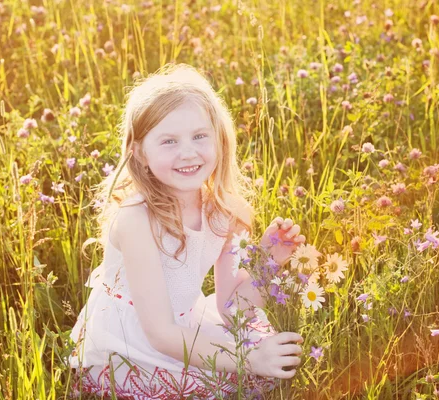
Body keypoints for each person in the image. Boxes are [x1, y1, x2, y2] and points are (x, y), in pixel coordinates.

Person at [68, 63, 306, 399]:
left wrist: (267, 263)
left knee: (261, 352)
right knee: (219, 384)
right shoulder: (136, 220)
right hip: (132, 342)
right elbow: (161, 334)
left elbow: (231, 307)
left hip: (184, 323)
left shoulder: (225, 210)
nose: (188, 152)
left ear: (219, 139)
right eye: (168, 141)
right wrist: (248, 358)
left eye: (199, 136)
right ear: (140, 152)